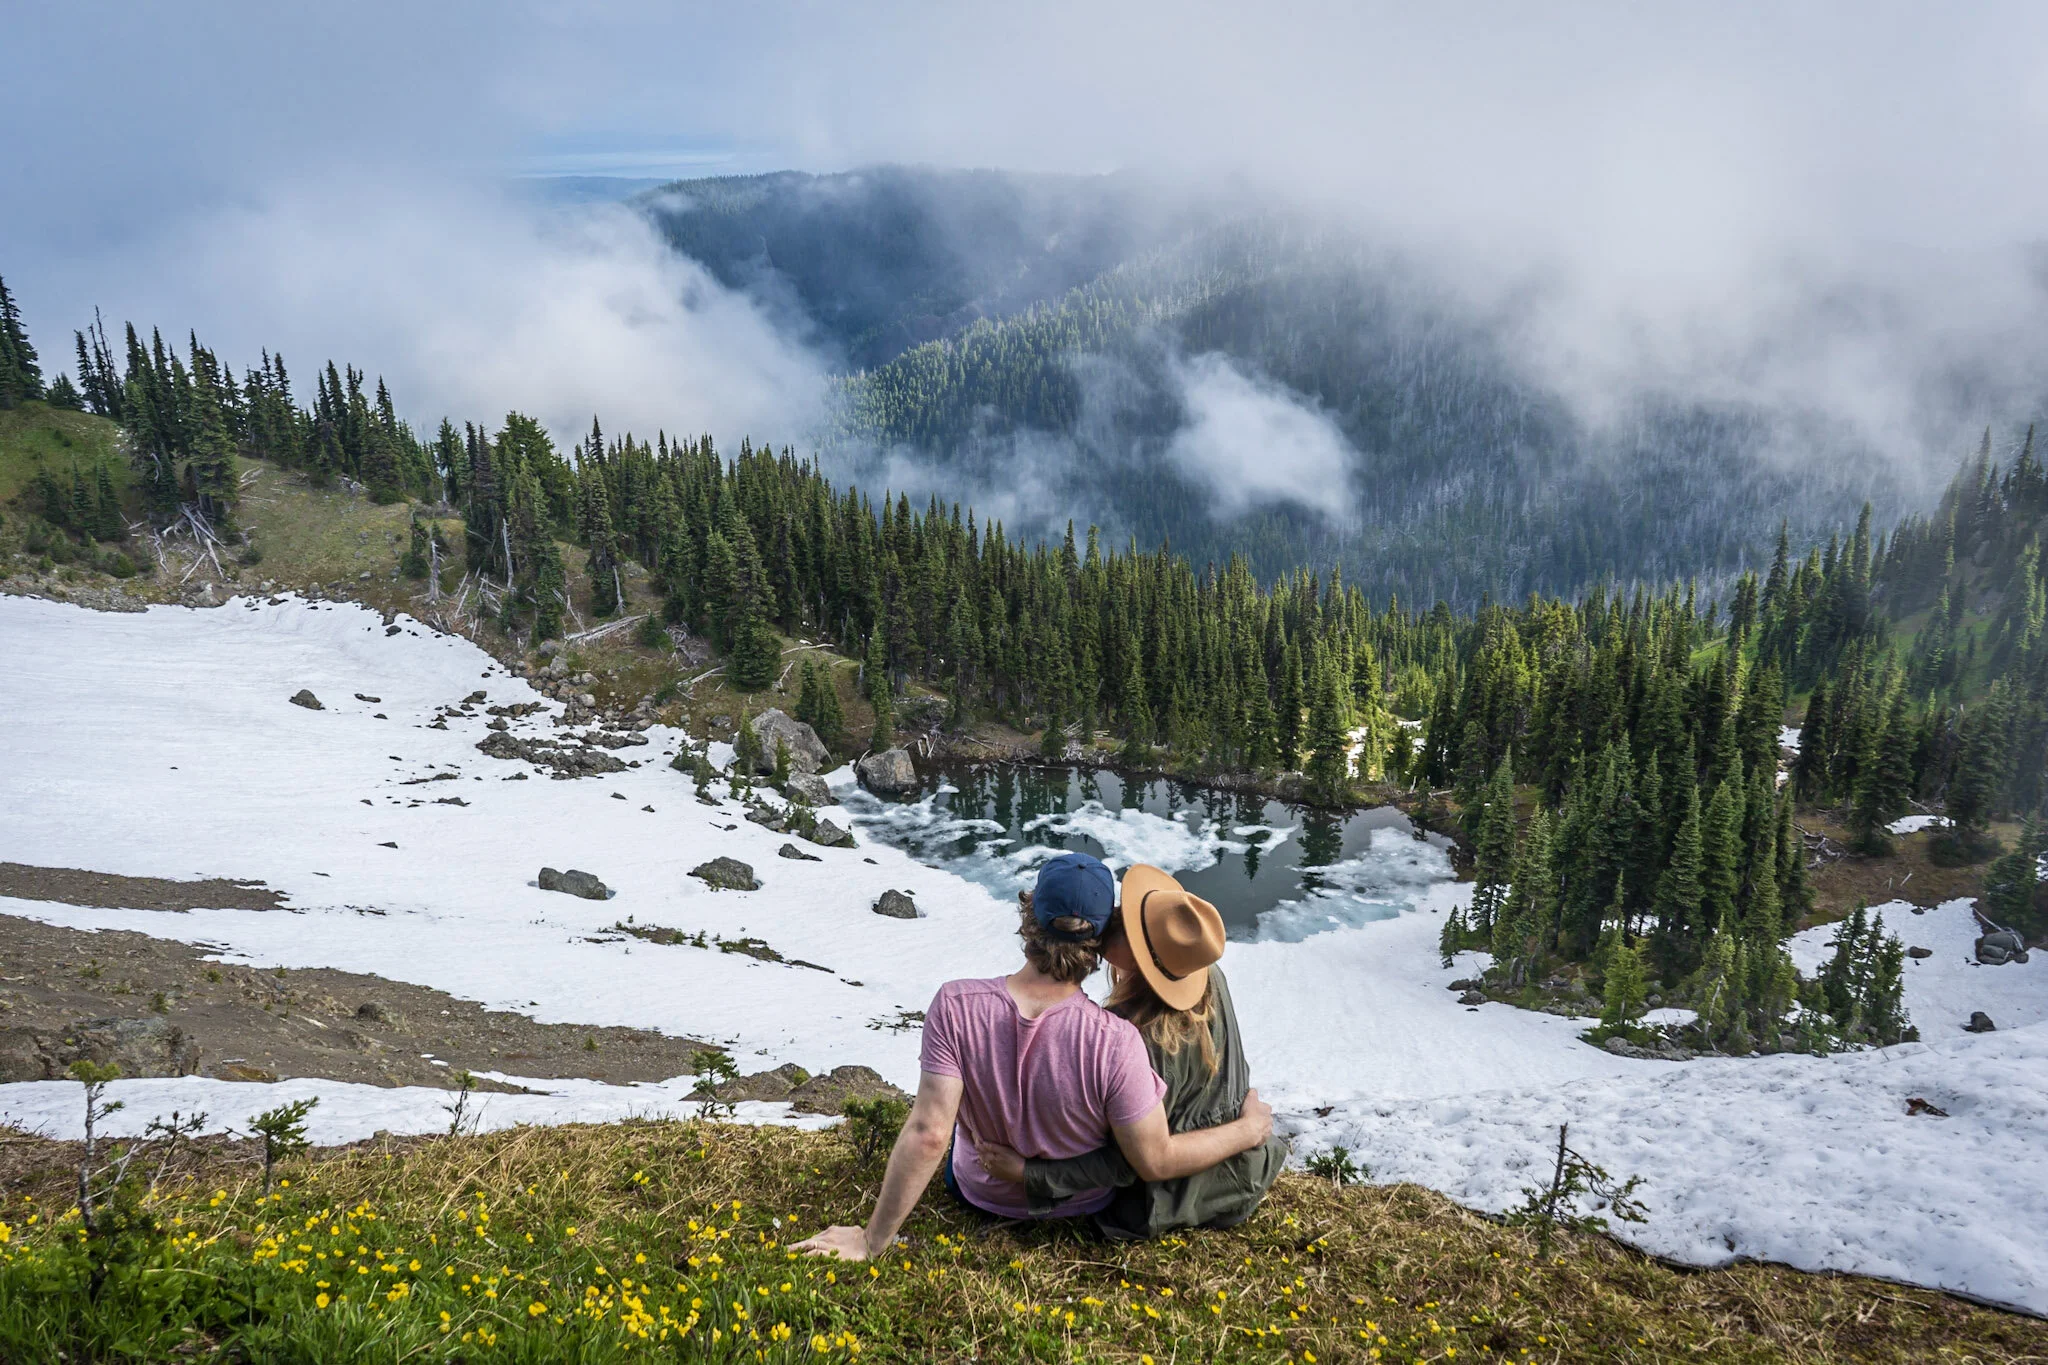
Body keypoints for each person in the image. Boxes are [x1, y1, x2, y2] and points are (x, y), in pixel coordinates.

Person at [794, 852, 1273, 1261]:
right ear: (1100, 943)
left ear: (1029, 918)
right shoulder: (1119, 1039)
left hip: (978, 1190)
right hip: (1082, 1203)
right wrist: (1249, 1130)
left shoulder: (955, 1004)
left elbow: (929, 1133)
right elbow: (1145, 1159)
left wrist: (872, 1240)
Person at [974, 863, 1286, 1240]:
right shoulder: (1202, 971)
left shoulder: (1128, 1036)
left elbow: (1129, 1164)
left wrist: (1030, 1174)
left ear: (1142, 961)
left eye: (1129, 929)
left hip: (1178, 1197)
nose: (1112, 922)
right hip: (1247, 1170)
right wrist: (1247, 1131)